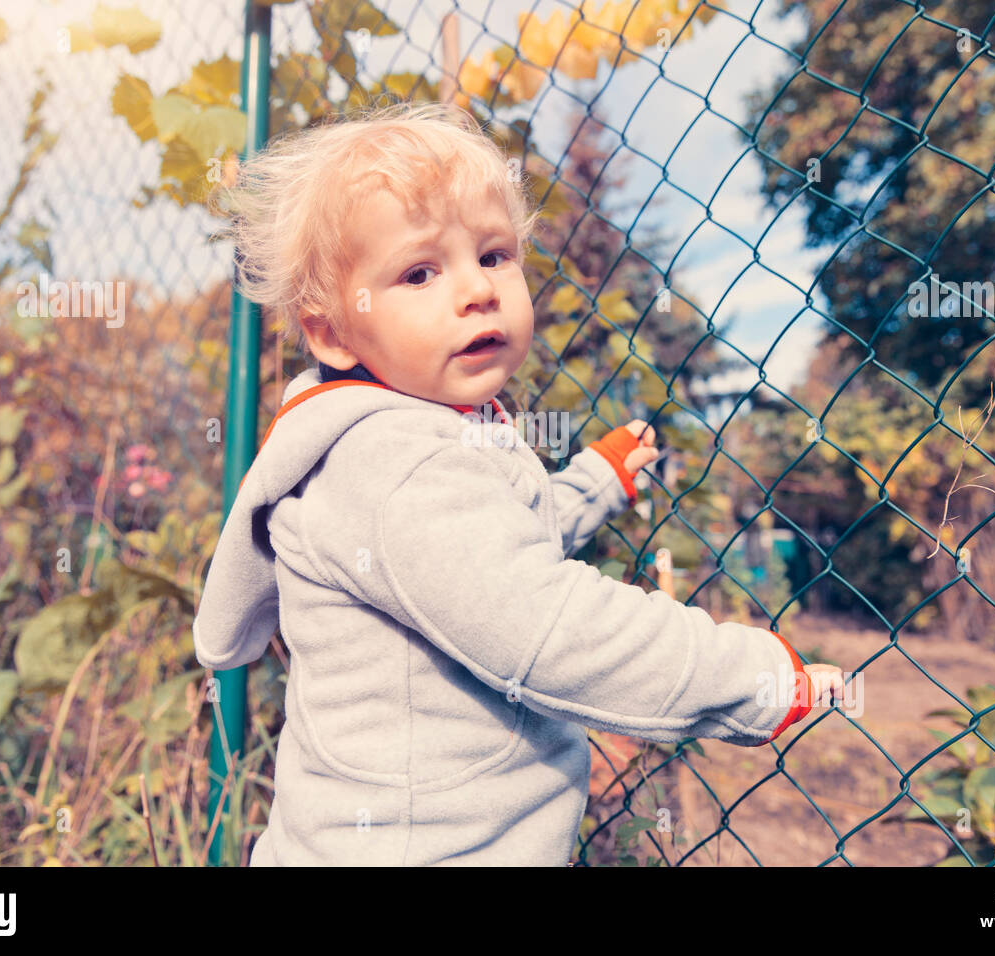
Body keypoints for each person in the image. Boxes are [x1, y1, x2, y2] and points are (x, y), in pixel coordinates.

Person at [194, 100, 844, 866]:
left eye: (494, 255)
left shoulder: (395, 439)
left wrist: (594, 482)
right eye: (420, 271)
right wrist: (752, 676)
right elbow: (548, 629)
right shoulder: (398, 465)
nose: (476, 289)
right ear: (332, 330)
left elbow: (490, 555)